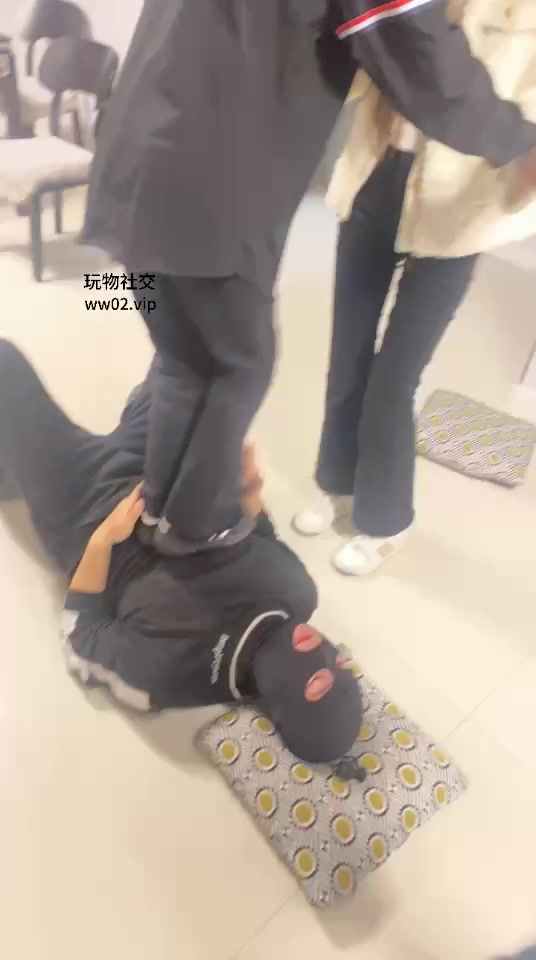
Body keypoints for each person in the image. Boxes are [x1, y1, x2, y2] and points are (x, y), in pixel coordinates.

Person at [82, 0, 536, 557]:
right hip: (217, 187)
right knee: (240, 365)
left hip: (130, 164)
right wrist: (520, 140)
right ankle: (196, 532)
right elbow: (418, 52)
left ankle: (162, 513)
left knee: (185, 361)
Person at [0, 340, 362, 763]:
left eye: (318, 681)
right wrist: (249, 489)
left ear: (283, 709)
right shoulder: (300, 594)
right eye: (340, 662)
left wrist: (105, 539)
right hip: (163, 475)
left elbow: (81, 636)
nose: (322, 652)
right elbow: (262, 533)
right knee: (198, 348)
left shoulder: (171, 677)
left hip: (85, 504)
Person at [294, 0, 536, 576]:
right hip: (376, 167)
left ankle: (386, 519)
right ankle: (336, 483)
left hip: (461, 202)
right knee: (347, 353)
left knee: (394, 378)